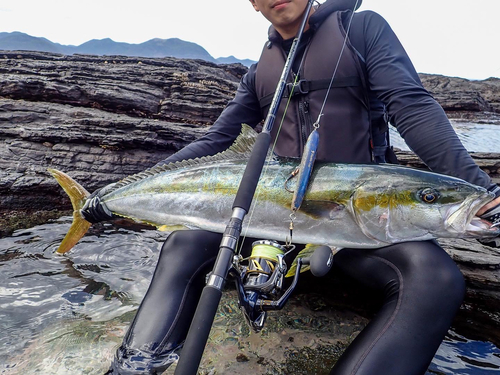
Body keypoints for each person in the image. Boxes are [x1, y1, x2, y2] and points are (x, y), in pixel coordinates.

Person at [105, 0, 500, 374]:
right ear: (252, 4)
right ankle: (133, 367)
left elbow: (411, 107)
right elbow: (214, 141)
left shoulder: (361, 30)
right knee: (183, 245)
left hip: (359, 221)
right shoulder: (259, 71)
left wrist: (485, 193)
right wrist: (112, 195)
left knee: (437, 279)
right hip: (274, 225)